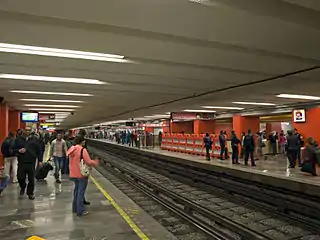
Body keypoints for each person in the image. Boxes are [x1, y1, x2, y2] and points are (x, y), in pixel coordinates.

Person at [67, 135, 99, 216]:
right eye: (84, 141)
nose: (85, 142)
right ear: (81, 141)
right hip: (81, 174)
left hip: (73, 174)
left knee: (76, 191)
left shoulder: (72, 149)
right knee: (81, 193)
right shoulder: (82, 150)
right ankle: (80, 211)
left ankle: (75, 208)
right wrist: (95, 162)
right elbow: (88, 162)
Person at [14, 127, 43, 200]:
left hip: (31, 162)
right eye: (26, 130)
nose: (27, 131)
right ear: (24, 131)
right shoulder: (18, 139)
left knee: (31, 179)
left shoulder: (35, 140)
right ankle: (23, 186)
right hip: (21, 161)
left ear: (31, 131)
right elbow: (13, 149)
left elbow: (39, 150)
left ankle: (30, 193)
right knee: (20, 177)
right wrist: (18, 150)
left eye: (29, 130)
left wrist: (40, 160)